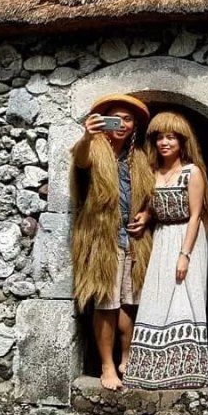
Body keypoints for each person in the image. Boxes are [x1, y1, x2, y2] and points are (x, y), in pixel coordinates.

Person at [70, 93, 154, 391]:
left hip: (134, 240)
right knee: (106, 304)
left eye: (127, 119)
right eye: (115, 118)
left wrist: (146, 214)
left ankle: (127, 359)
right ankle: (107, 365)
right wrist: (85, 136)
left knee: (130, 304)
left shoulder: (141, 158)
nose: (121, 123)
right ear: (103, 122)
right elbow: (79, 162)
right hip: (102, 240)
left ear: (134, 126)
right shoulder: (93, 149)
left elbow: (152, 195)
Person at [124, 111, 208, 390]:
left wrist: (184, 255)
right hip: (162, 238)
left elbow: (196, 215)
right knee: (157, 297)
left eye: (171, 137)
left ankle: (187, 371)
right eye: (160, 137)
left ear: (181, 142)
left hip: (187, 238)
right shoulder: (153, 172)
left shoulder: (191, 172)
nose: (165, 143)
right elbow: (154, 205)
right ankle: (151, 371)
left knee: (185, 299)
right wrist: (146, 217)